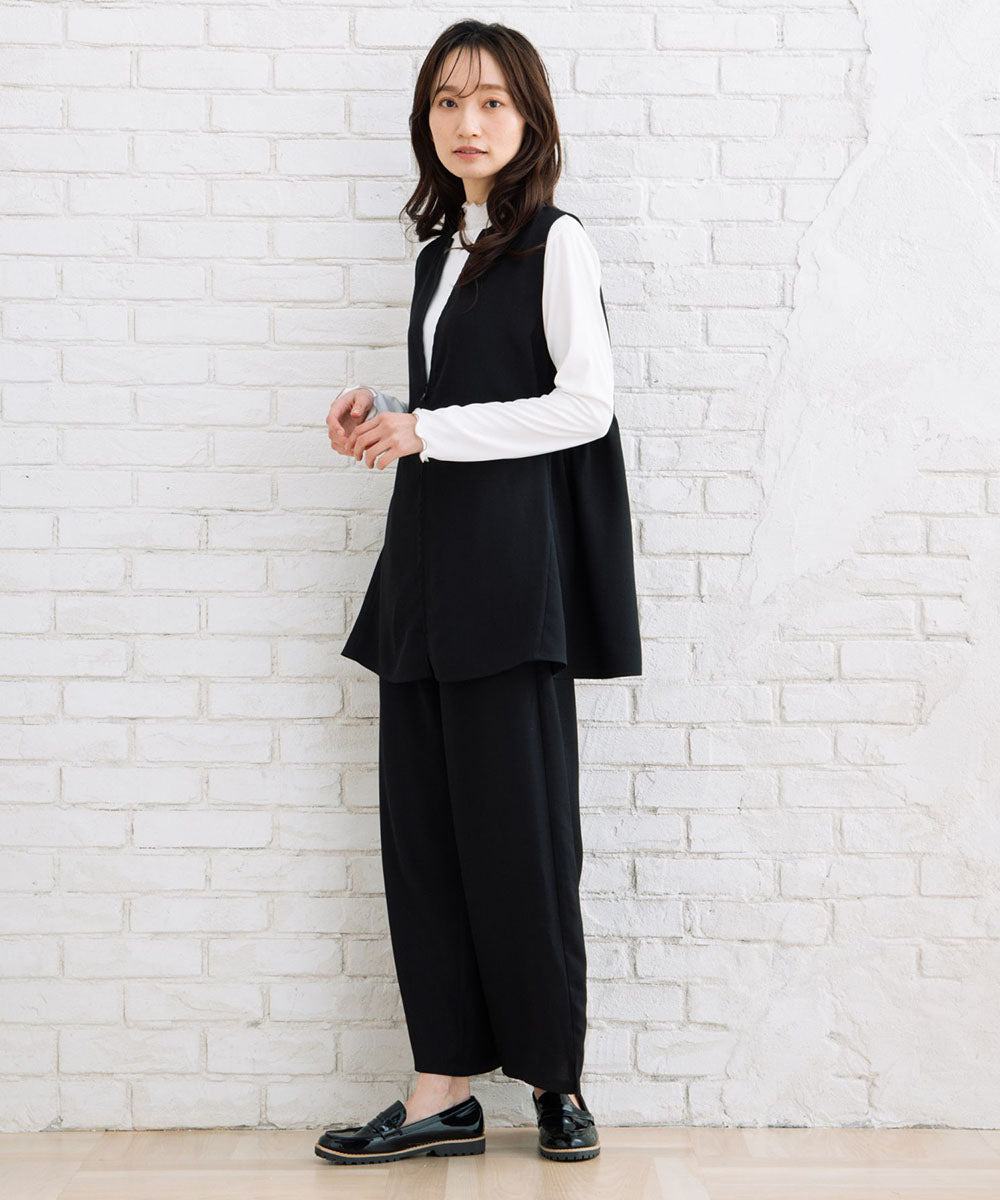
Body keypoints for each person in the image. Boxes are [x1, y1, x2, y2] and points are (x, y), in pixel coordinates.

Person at [315, 19, 641, 1166]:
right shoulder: (436, 252)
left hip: (510, 577)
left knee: (522, 836)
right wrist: (385, 414)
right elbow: (462, 403)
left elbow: (584, 404)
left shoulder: (556, 242)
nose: (468, 122)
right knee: (426, 838)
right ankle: (440, 1091)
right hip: (426, 573)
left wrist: (430, 429)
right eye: (448, 102)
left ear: (529, 118)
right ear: (427, 121)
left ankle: (555, 1082)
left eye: (492, 101)